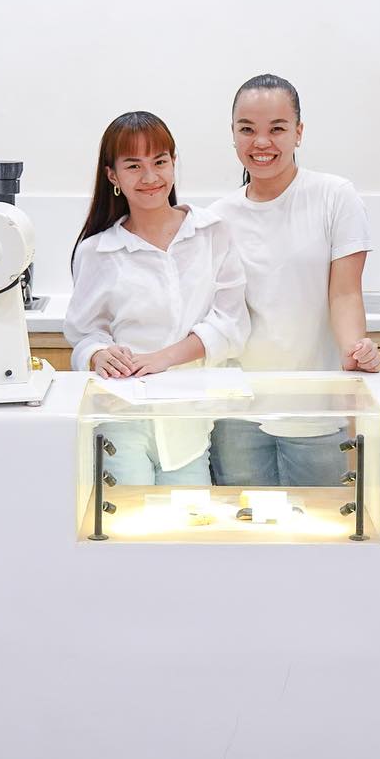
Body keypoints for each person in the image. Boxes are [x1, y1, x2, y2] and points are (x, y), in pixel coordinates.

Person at [211, 73, 380, 487]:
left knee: (324, 520)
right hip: (238, 413)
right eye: (247, 129)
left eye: (277, 129)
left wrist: (355, 352)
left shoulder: (334, 196)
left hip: (315, 407)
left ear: (298, 132)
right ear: (232, 134)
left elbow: (344, 293)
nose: (261, 142)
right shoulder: (217, 218)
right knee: (243, 521)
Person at [64, 111, 249, 486]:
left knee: (190, 518)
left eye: (160, 162)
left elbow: (230, 324)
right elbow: (84, 334)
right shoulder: (97, 251)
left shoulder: (211, 232)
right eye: (134, 166)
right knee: (129, 520)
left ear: (174, 163)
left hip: (188, 423)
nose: (150, 177)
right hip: (121, 419)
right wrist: (99, 354)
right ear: (113, 176)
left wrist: (160, 359)